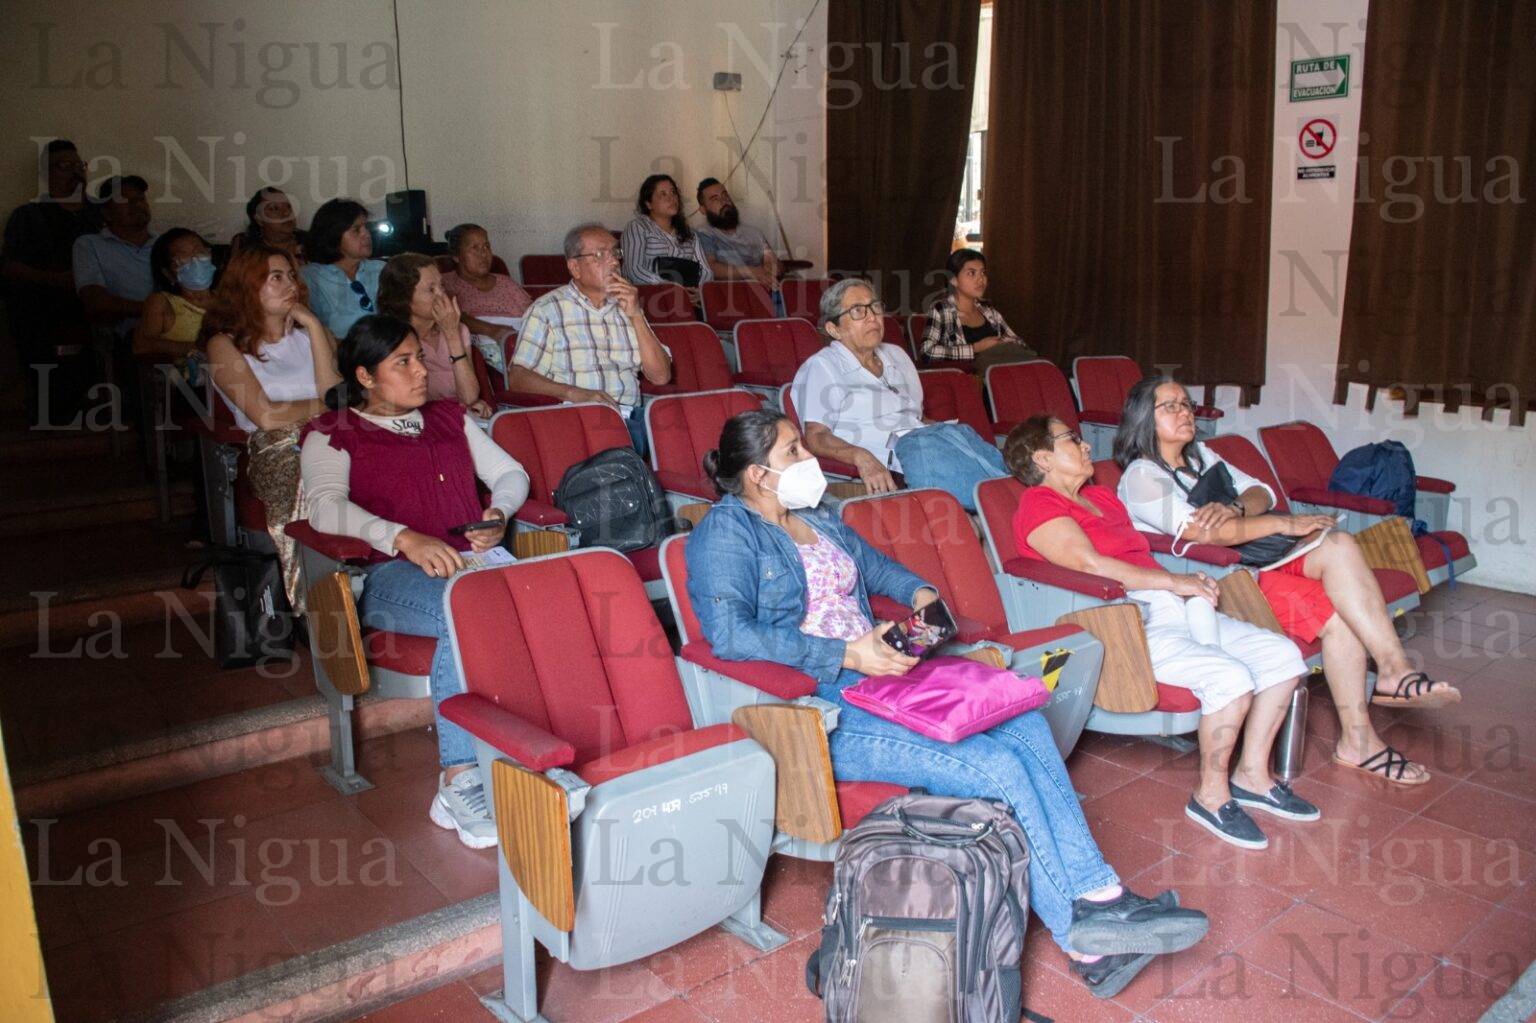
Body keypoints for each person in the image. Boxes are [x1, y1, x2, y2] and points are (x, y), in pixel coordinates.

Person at [686, 409, 1209, 999]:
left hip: (887, 676)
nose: (810, 459)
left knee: (1027, 725)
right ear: (758, 474)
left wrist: (920, 593)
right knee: (995, 764)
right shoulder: (726, 534)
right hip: (822, 706)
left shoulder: (817, 515)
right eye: (793, 452)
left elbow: (876, 568)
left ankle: (1103, 896)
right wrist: (846, 653)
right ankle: (1086, 940)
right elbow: (730, 635)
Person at [1113, 377, 1459, 785]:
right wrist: (1283, 524)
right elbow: (1207, 534)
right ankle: (1359, 741)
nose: (1184, 412)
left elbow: (1261, 492)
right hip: (1219, 577)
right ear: (1143, 419)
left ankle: (1394, 668)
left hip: (1258, 557)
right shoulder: (1141, 476)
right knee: (1339, 614)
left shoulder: (1201, 455)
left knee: (1341, 544)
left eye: (1186, 404)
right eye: (1169, 406)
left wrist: (1235, 506)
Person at [1005, 415, 1320, 848]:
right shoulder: (1039, 504)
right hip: (1119, 621)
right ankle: (1211, 797)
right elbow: (1089, 565)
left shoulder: (1100, 496)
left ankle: (1252, 776)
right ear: (1042, 458)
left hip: (1171, 607)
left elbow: (1142, 551)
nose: (1085, 444)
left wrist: (1185, 585)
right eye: (1072, 439)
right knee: (1230, 678)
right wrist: (1176, 581)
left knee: (1282, 656)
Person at [301, 314, 530, 849]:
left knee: (542, 598)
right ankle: (458, 779)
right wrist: (402, 538)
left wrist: (498, 513)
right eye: (401, 362)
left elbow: (510, 473)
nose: (420, 371)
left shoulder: (449, 418)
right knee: (465, 606)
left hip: (470, 564)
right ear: (365, 376)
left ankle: (525, 750)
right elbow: (325, 509)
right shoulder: (333, 432)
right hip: (387, 577)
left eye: (419, 359)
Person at [202, 244, 341, 609]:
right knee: (314, 470)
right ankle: (316, 599)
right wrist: (325, 406)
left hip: (332, 435)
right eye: (275, 277)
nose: (290, 284)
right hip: (276, 446)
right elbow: (264, 416)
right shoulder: (224, 344)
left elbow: (335, 396)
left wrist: (314, 326)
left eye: (291, 275)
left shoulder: (313, 333)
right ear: (248, 286)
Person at [791, 276, 1007, 511]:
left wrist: (944, 433)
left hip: (928, 447)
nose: (872, 316)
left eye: (875, 306)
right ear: (834, 329)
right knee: (989, 496)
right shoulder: (822, 367)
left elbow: (915, 417)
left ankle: (1011, 501)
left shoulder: (897, 355)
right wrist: (860, 456)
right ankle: (1001, 506)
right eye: (857, 311)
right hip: (899, 460)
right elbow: (816, 436)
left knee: (966, 438)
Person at [507, 223, 671, 455]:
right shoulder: (547, 310)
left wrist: (636, 315)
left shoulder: (628, 307)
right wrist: (574, 393)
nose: (614, 262)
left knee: (689, 430)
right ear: (575, 267)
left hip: (630, 418)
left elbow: (661, 376)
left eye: (615, 252)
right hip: (577, 420)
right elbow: (518, 378)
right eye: (600, 255)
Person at [1, 139, 100, 419]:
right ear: (48, 173)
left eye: (79, 165)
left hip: (102, 299)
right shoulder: (29, 216)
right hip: (50, 304)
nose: (75, 172)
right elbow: (10, 267)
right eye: (65, 166)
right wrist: (56, 279)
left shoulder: (101, 214)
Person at [376, 253, 492, 417]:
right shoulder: (392, 338)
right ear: (404, 299)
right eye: (431, 289)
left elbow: (469, 397)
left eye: (441, 287)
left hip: (456, 416)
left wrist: (452, 335)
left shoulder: (459, 330)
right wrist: (455, 408)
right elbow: (404, 402)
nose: (441, 295)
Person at [921, 248, 1037, 372]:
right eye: (971, 273)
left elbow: (1019, 343)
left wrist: (1000, 343)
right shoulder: (941, 310)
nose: (981, 279)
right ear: (953, 280)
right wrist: (975, 348)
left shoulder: (988, 310)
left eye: (983, 273)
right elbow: (927, 351)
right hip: (968, 379)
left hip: (1002, 373)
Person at [440, 222, 531, 372]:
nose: (483, 254)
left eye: (486, 247)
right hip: (484, 355)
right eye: (474, 248)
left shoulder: (506, 282)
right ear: (456, 256)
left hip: (521, 345)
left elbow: (534, 314)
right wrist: (492, 330)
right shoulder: (446, 283)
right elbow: (452, 317)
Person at [72, 175, 156, 334]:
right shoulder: (89, 244)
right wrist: (156, 311)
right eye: (125, 200)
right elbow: (96, 302)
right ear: (107, 213)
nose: (137, 204)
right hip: (124, 340)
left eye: (141, 198)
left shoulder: (166, 244)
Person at [620, 173, 712, 305]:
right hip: (651, 298)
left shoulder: (690, 234)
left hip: (689, 300)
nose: (671, 198)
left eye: (673, 192)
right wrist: (672, 289)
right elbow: (634, 270)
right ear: (648, 204)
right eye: (663, 194)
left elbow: (706, 271)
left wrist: (700, 292)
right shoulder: (638, 227)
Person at [301, 198, 384, 340]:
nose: (367, 234)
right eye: (356, 230)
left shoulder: (381, 269)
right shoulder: (310, 277)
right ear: (334, 236)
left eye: (366, 227)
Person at [132, 228, 215, 362]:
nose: (196, 260)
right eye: (184, 257)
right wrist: (201, 349)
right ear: (168, 273)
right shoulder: (161, 302)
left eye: (199, 252)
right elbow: (142, 346)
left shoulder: (227, 299)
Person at [694, 178, 781, 291]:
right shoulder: (703, 233)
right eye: (715, 199)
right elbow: (710, 268)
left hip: (764, 291)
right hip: (728, 295)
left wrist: (772, 267)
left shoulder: (754, 233)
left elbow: (772, 261)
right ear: (703, 209)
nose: (723, 201)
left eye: (725, 195)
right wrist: (752, 272)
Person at [234, 187, 306, 264]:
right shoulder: (245, 246)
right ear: (259, 220)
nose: (287, 213)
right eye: (275, 208)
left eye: (288, 207)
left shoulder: (309, 242)